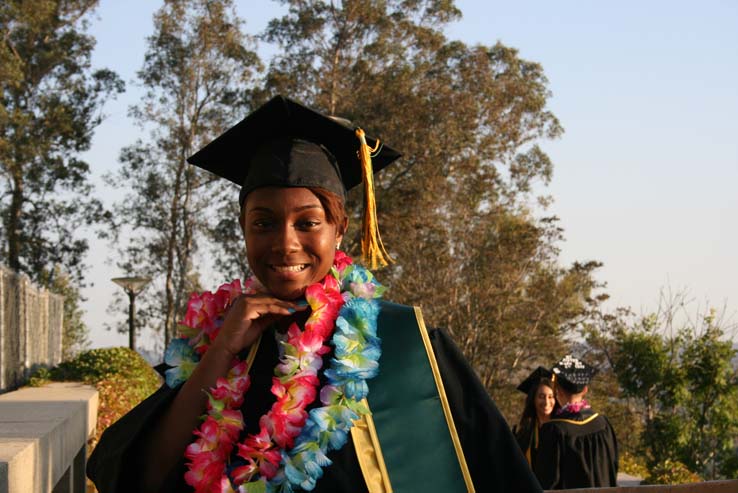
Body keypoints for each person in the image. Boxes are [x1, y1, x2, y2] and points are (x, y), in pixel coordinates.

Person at [87, 95, 541, 493]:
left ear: (339, 228)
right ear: (243, 229)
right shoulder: (216, 342)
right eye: (262, 223)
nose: (285, 243)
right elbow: (139, 477)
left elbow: (499, 474)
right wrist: (222, 350)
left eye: (308, 222)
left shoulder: (409, 346)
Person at [534, 354, 618, 489]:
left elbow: (546, 482)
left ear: (557, 391)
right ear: (585, 390)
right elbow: (612, 468)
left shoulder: (553, 430)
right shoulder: (603, 424)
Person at [513, 367, 559, 470]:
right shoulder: (524, 433)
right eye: (541, 397)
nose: (546, 402)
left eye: (551, 397)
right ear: (533, 399)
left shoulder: (563, 429)